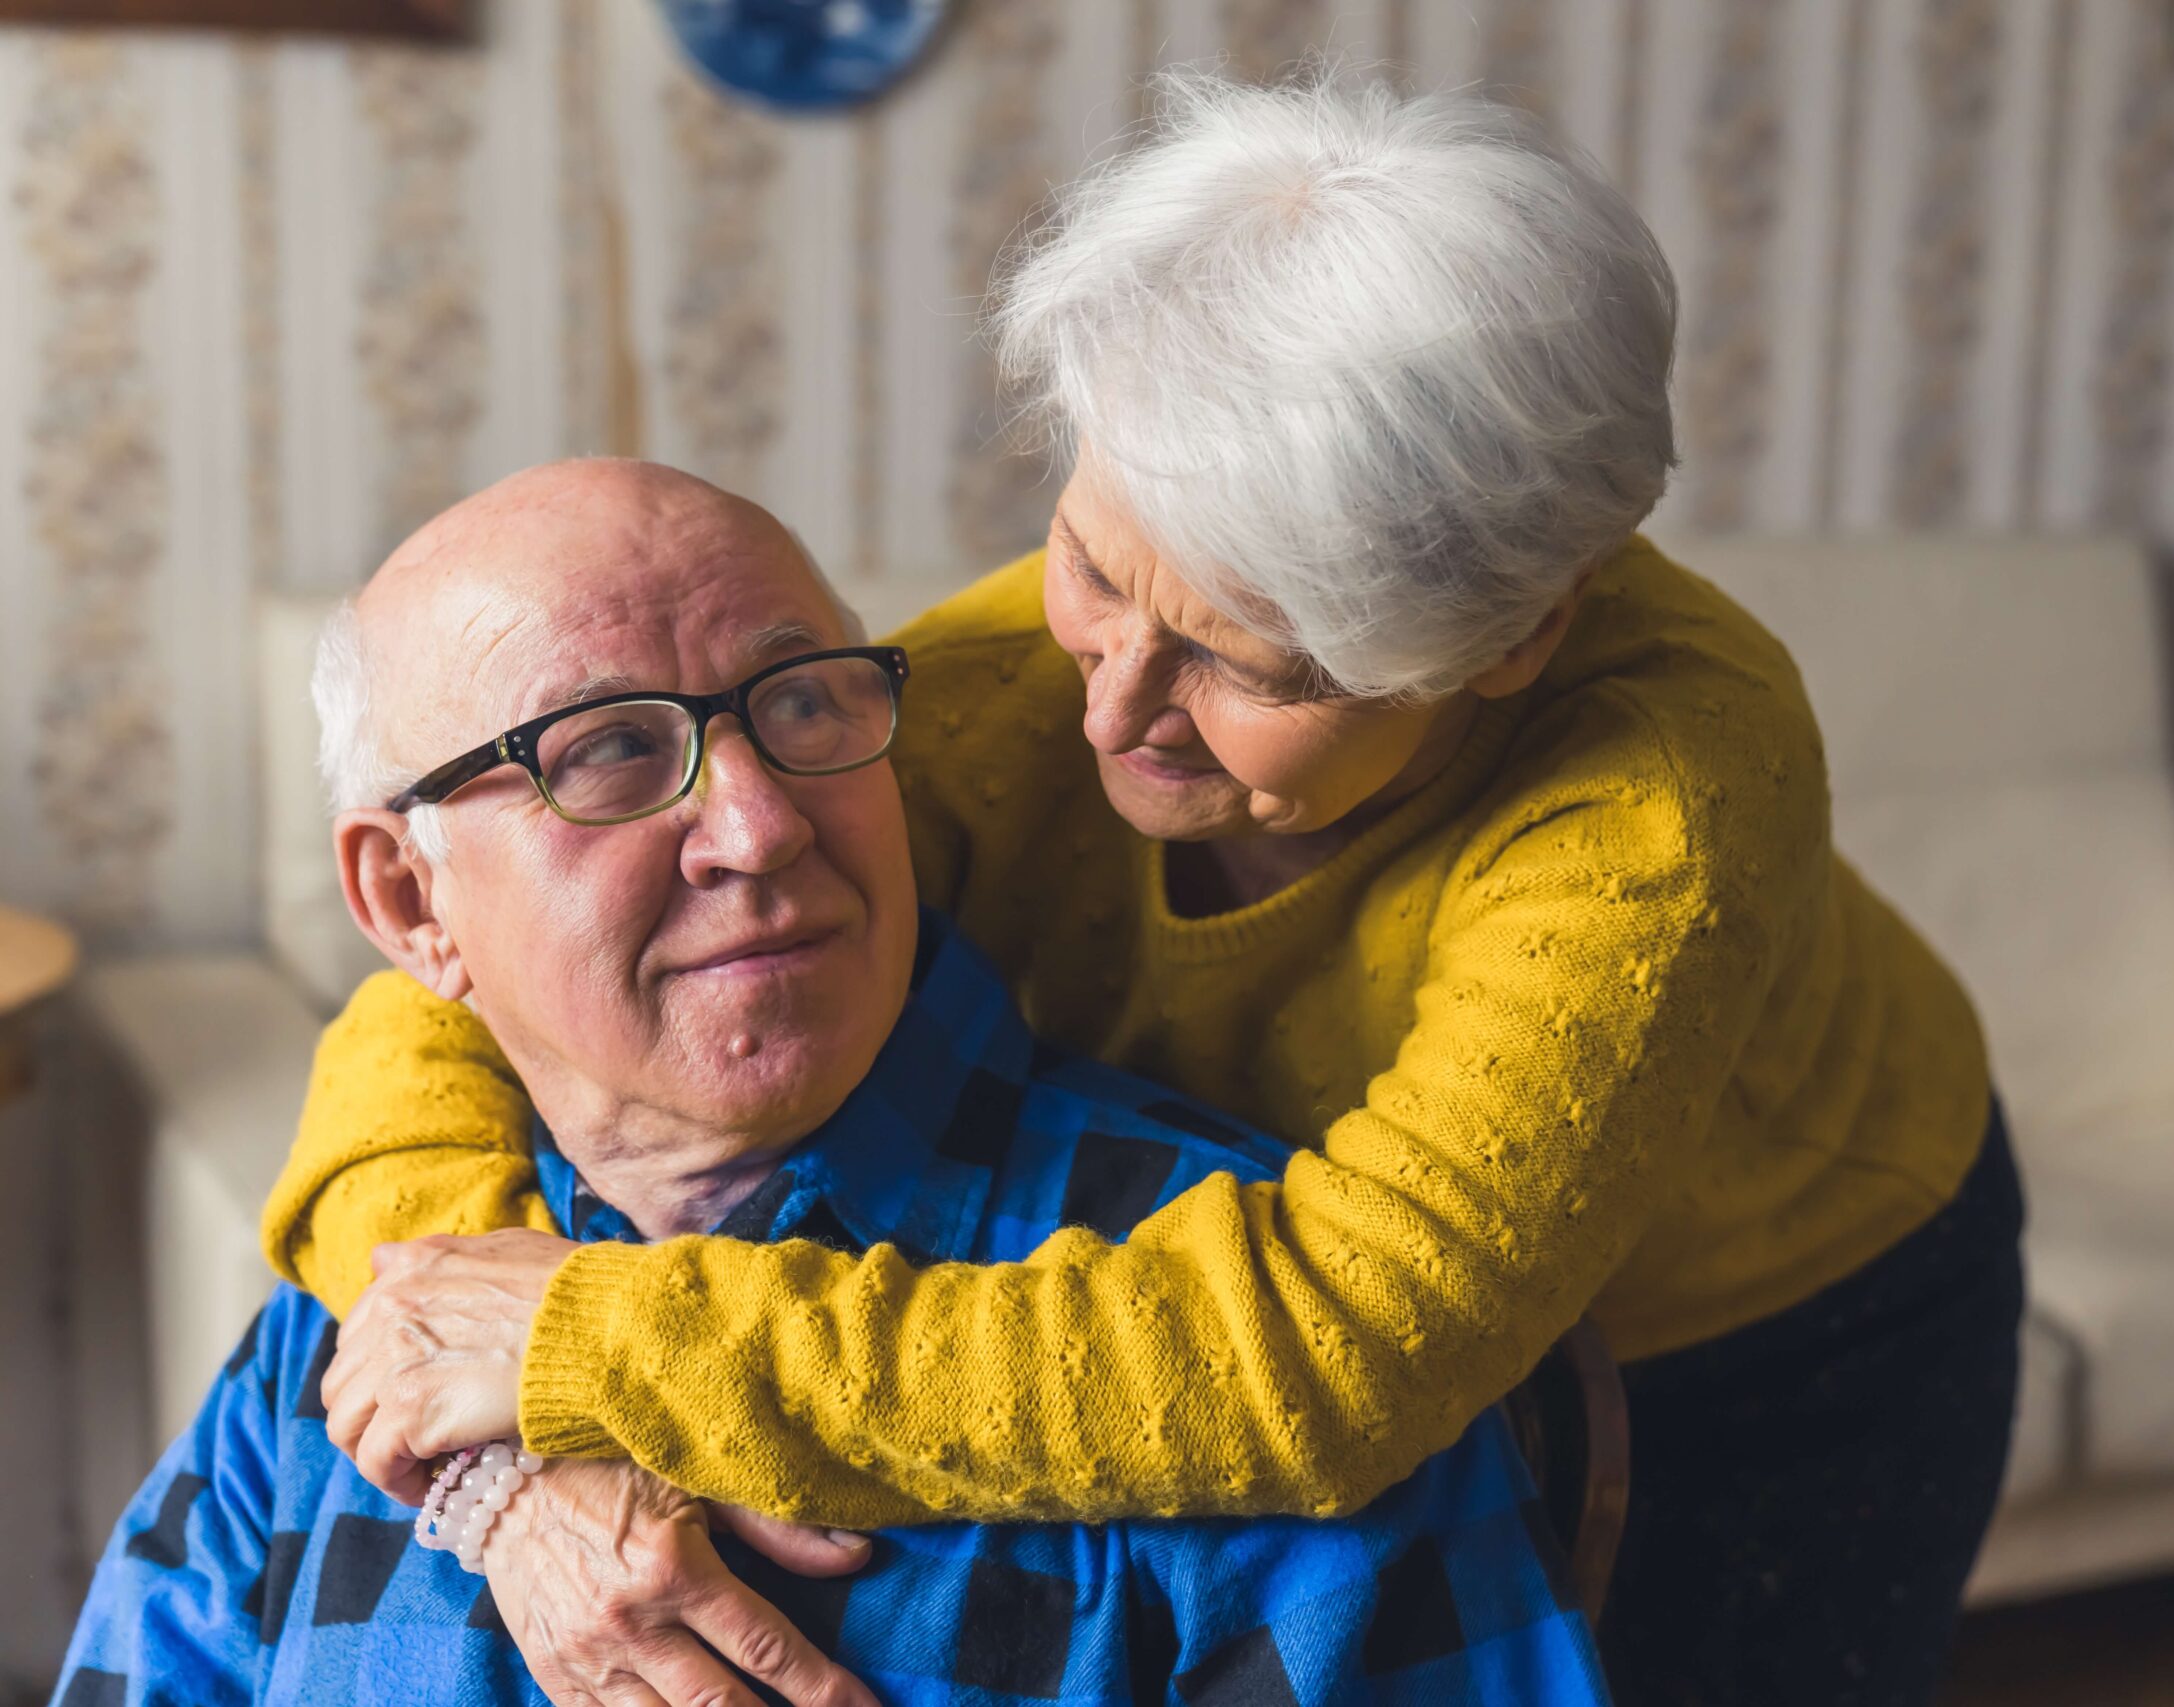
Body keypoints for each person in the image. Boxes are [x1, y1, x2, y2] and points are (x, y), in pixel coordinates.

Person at [269, 69, 2024, 1706]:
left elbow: (1345, 1353)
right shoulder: (968, 696)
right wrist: (494, 1440)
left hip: (1786, 1319)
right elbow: (453, 998)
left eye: (1254, 667)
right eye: (1094, 567)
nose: (1107, 704)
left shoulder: (1667, 777)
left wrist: (601, 1347)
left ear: (1514, 640)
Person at [51, 460, 1608, 1707]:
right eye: (601, 753)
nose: (760, 825)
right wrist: (502, 1472)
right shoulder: (359, 1336)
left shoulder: (1231, 1343)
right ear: (408, 904)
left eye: (803, 708)